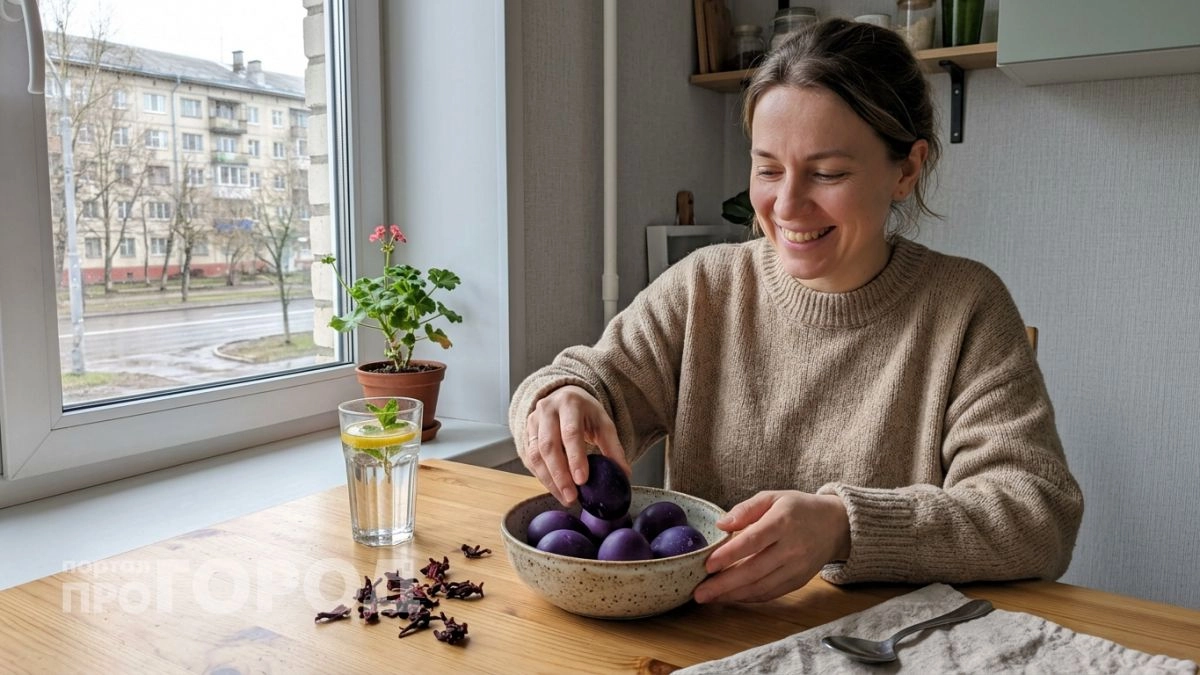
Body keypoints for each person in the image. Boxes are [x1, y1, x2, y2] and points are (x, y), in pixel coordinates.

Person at [508, 18, 1083, 605]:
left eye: (828, 173)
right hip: (706, 640)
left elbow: (1038, 515)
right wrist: (559, 399)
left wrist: (843, 525)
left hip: (887, 646)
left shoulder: (966, 308)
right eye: (767, 169)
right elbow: (590, 381)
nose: (785, 205)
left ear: (906, 170)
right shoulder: (706, 286)